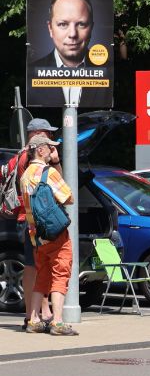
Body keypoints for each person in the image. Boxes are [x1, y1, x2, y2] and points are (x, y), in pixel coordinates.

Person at [20, 135, 77, 335]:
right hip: (56, 233)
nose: (53, 151)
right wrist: (55, 163)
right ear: (41, 150)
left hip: (36, 234)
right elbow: (68, 197)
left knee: (42, 274)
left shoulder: (25, 175)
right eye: (50, 148)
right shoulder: (49, 172)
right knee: (61, 272)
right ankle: (58, 321)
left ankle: (33, 319)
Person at [4, 119, 58, 331]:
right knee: (36, 266)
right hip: (33, 219)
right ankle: (35, 314)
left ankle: (37, 312)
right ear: (36, 134)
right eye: (47, 135)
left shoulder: (20, 155)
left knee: (34, 266)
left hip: (27, 218)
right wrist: (54, 162)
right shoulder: (31, 157)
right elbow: (55, 185)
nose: (51, 139)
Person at [29, 0, 108, 108]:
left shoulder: (108, 72)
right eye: (63, 24)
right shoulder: (31, 74)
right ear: (50, 28)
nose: (72, 34)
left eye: (81, 24)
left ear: (91, 28)